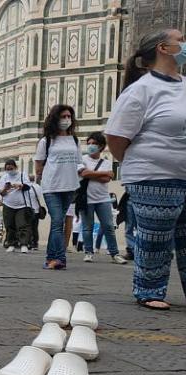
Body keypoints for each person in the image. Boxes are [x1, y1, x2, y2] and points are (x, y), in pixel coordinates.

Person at [106, 28, 186, 309]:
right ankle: (150, 291)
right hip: (153, 175)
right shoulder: (141, 89)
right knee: (155, 238)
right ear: (163, 48)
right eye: (182, 40)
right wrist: (136, 164)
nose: (185, 44)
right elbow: (116, 137)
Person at [35, 104, 81, 270]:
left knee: (59, 223)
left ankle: (50, 258)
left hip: (69, 187)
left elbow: (79, 162)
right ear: (56, 119)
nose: (67, 120)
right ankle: (60, 259)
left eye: (69, 116)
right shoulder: (46, 141)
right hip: (52, 187)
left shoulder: (74, 140)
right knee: (57, 221)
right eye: (63, 116)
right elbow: (38, 166)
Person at [78, 132, 128, 264]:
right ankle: (88, 252)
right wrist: (102, 173)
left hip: (103, 199)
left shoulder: (106, 161)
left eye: (94, 143)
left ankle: (114, 253)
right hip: (86, 199)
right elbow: (84, 173)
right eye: (89, 143)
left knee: (108, 227)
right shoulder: (82, 159)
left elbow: (107, 179)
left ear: (101, 146)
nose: (91, 146)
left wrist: (92, 174)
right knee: (87, 227)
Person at [0, 160, 33, 253]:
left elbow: (28, 186)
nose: (9, 170)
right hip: (8, 205)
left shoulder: (22, 175)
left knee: (22, 224)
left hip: (22, 205)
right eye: (7, 169)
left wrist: (20, 185)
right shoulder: (4, 177)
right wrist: (5, 188)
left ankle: (24, 244)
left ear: (15, 167)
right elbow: (1, 193)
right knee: (9, 225)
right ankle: (11, 244)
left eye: (11, 168)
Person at [27, 174, 43, 250]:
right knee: (35, 228)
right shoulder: (38, 187)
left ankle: (29, 243)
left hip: (29, 210)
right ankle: (35, 243)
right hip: (37, 210)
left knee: (28, 227)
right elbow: (40, 196)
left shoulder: (27, 187)